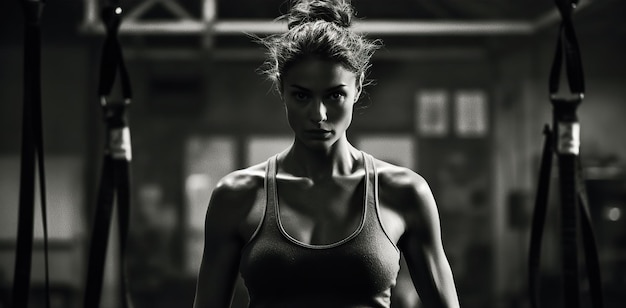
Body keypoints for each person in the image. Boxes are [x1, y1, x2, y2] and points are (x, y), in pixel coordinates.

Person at [193, 0, 460, 307]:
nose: (318, 114)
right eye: (301, 96)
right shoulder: (237, 197)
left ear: (357, 88)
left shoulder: (404, 193)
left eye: (334, 95)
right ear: (281, 90)